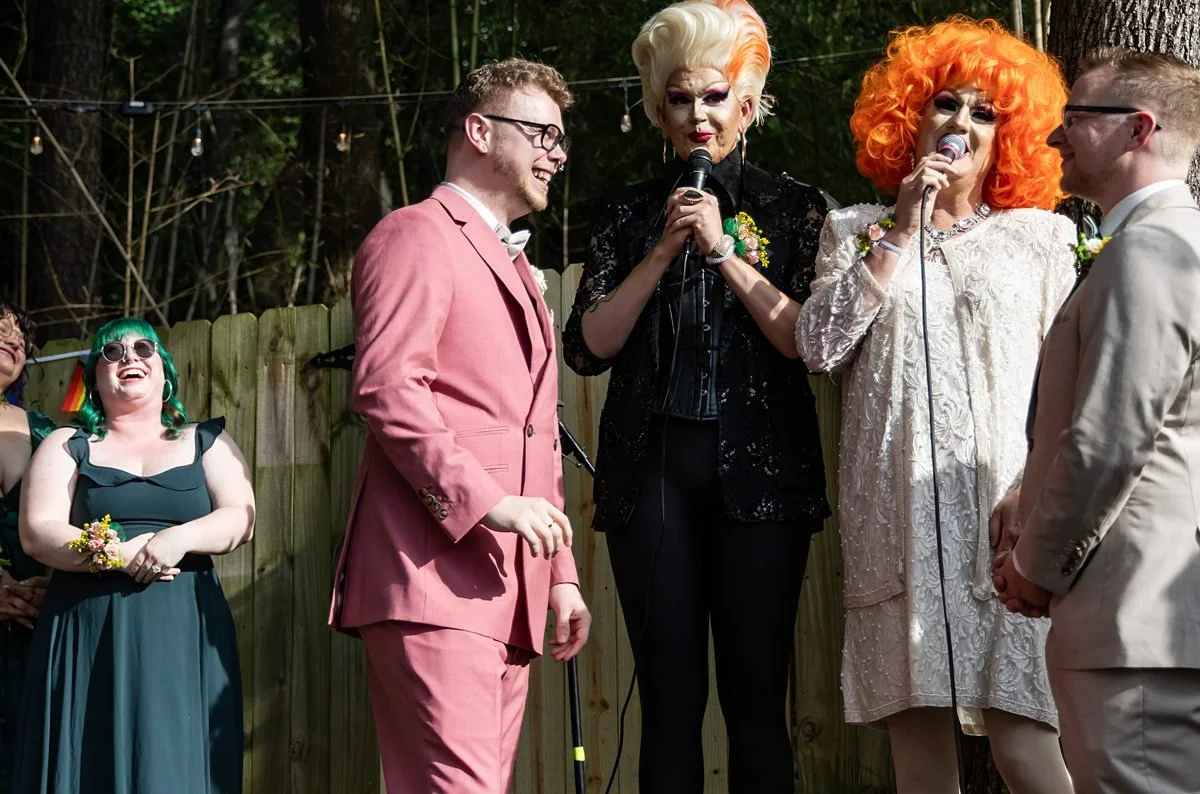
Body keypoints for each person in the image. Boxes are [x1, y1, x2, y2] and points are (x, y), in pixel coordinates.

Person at [796, 18, 1076, 794]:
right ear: (910, 117)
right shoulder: (853, 231)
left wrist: (1039, 489)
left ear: (1008, 137)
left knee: (1026, 743)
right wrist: (899, 233)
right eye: (945, 104)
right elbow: (818, 346)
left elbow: (1068, 377)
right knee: (920, 765)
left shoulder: (1041, 239)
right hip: (896, 518)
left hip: (1004, 512)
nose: (960, 124)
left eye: (984, 113)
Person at [563, 2, 832, 790]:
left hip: (764, 474)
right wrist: (660, 253)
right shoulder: (625, 212)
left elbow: (804, 343)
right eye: (680, 99)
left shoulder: (794, 207)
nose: (699, 115)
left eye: (715, 97)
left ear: (745, 105)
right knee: (670, 703)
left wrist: (722, 252)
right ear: (658, 111)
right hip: (651, 475)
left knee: (756, 702)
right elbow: (587, 348)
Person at [328, 58, 590, 794]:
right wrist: (486, 502)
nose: (557, 153)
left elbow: (532, 435)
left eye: (561, 140)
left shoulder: (512, 268)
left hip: (505, 587)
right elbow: (386, 388)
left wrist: (558, 577)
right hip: (430, 575)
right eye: (541, 132)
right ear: (478, 130)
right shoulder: (415, 234)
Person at [994, 47, 1200, 794]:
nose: (1056, 138)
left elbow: (1111, 439)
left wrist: (1034, 565)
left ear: (1137, 130)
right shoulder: (1170, 246)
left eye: (1076, 119)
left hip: (1134, 618)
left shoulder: (1149, 253)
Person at [13, 317, 253, 794]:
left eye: (144, 348)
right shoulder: (67, 444)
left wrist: (174, 540)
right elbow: (38, 532)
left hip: (183, 630)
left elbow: (240, 518)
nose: (129, 358)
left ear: (164, 372)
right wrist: (115, 555)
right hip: (86, 630)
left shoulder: (206, 441)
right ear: (92, 380)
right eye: (112, 352)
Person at [0, 301, 52, 790]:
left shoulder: (48, 434)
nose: (11, 337)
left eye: (19, 336)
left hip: (34, 629)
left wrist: (53, 581)